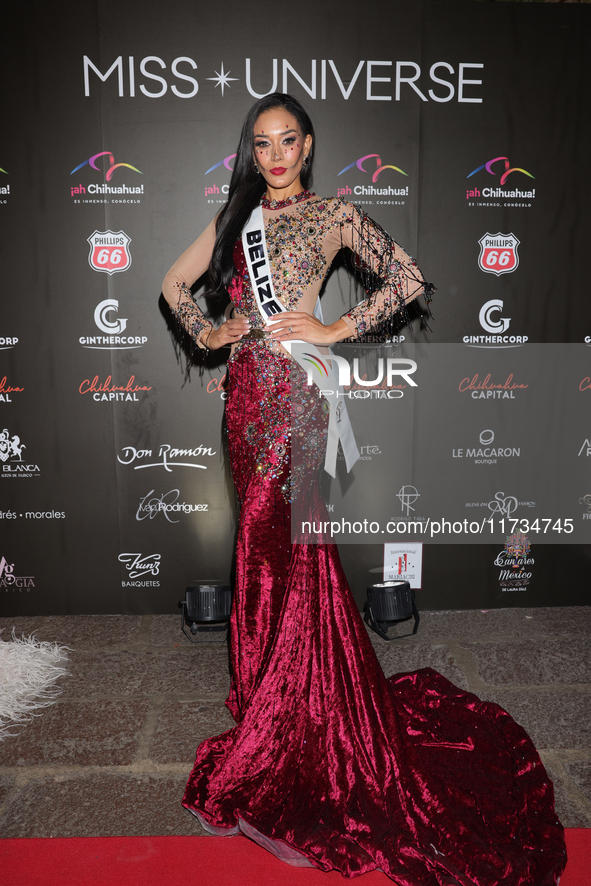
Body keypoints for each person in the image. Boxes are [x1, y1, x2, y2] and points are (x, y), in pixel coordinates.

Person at [162, 94, 566, 885]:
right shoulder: (236, 214)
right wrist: (210, 331)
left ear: (307, 147)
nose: (275, 155)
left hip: (295, 399)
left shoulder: (335, 215)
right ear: (253, 153)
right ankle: (269, 687)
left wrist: (333, 329)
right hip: (245, 399)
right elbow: (173, 285)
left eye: (287, 141)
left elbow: (407, 280)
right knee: (258, 547)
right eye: (261, 144)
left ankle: (288, 701)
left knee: (281, 550)